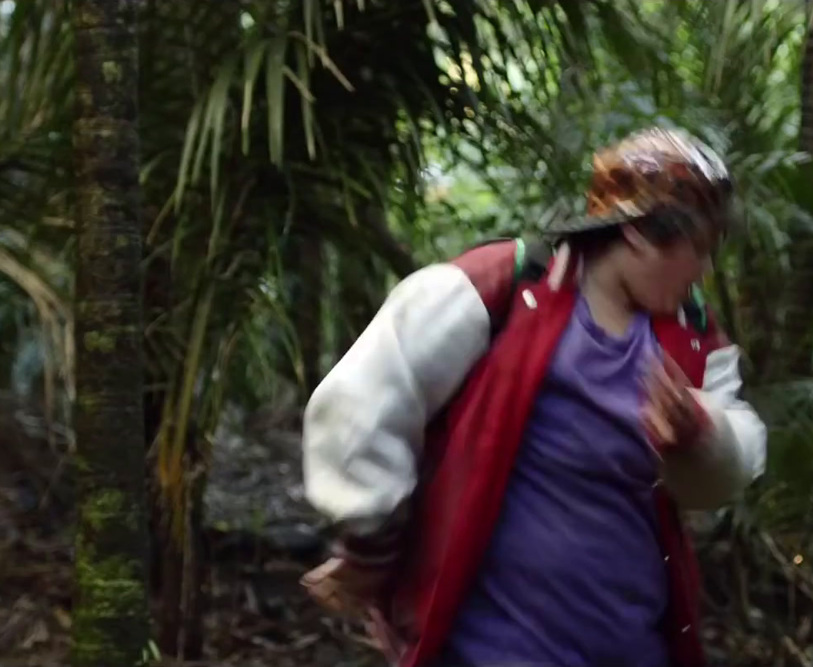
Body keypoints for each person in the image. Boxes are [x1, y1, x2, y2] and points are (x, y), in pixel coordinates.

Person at [298, 126, 768, 667]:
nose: (705, 271)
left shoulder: (689, 335)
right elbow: (364, 399)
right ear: (642, 233)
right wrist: (371, 540)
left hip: (633, 645)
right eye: (699, 249)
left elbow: (731, 467)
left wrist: (701, 434)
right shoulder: (500, 288)